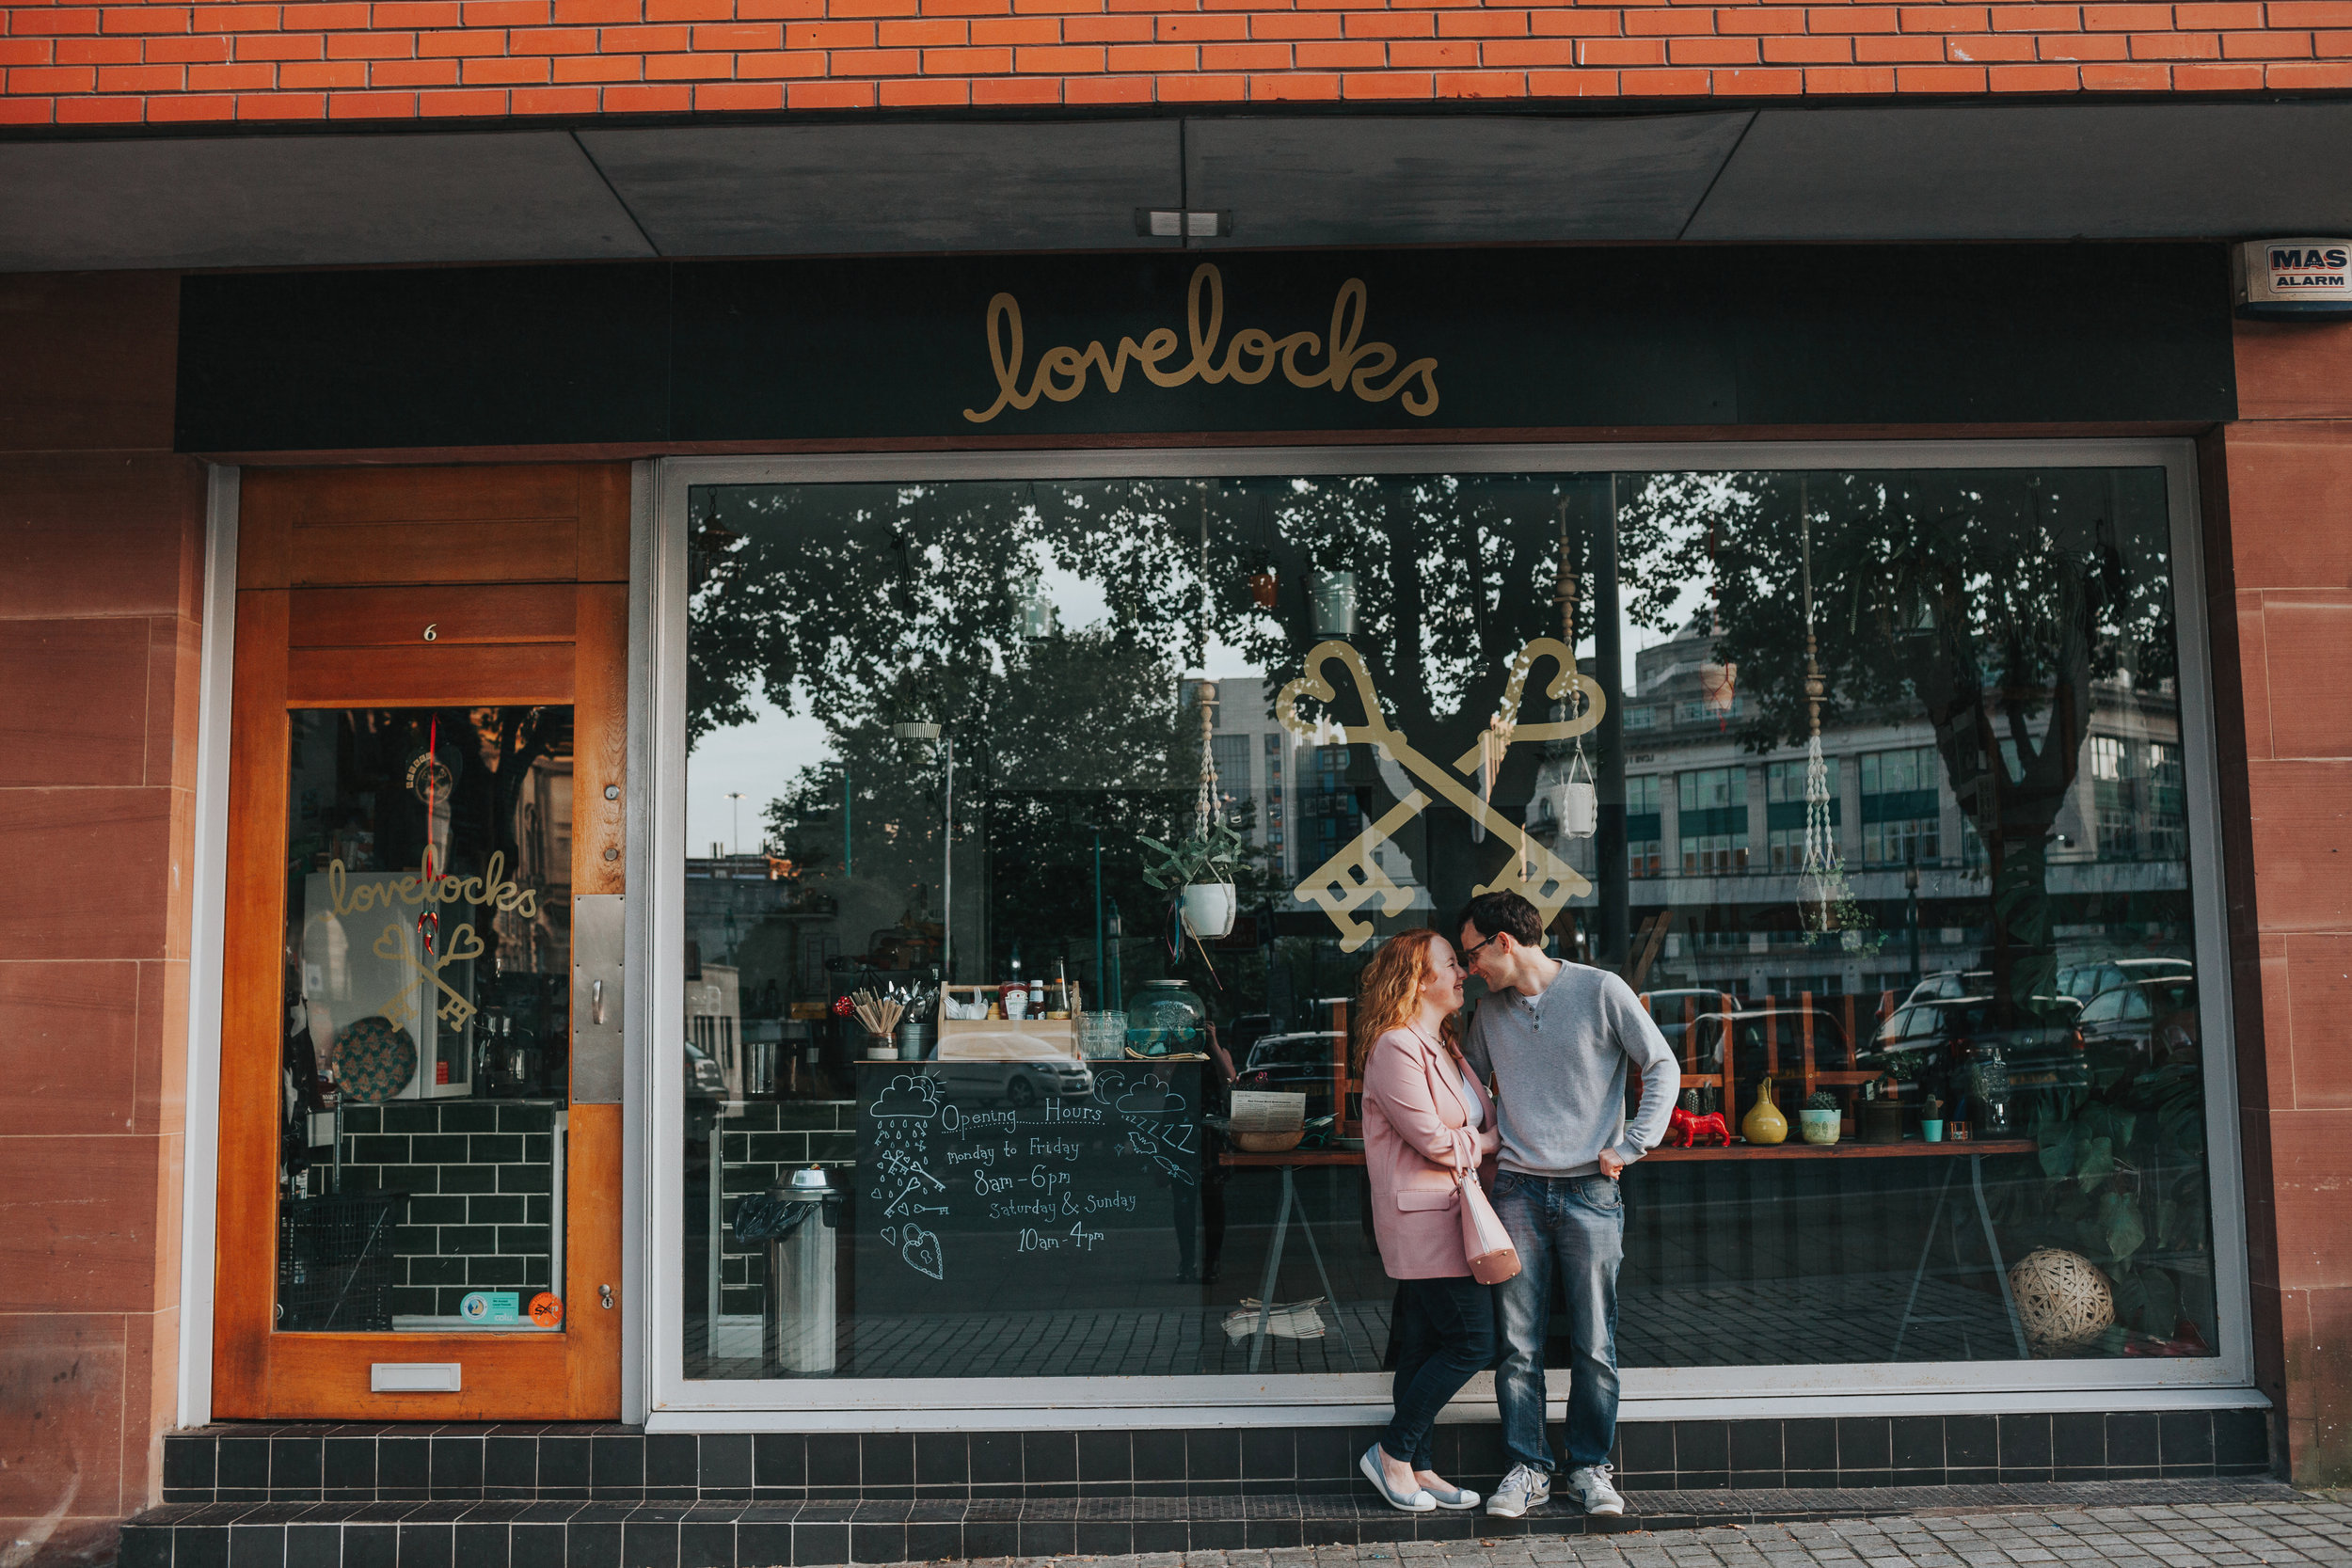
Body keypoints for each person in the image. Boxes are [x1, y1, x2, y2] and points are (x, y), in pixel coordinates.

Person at [1456, 889, 1678, 1520]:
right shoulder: (1488, 1012)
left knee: (1594, 1341)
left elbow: (1661, 1064)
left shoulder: (1601, 990)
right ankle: (1527, 1467)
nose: (1470, 967)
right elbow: (1469, 1087)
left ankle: (1589, 1467)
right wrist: (1472, 1140)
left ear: (1503, 941)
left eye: (1473, 953)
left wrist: (1632, 1145)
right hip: (1518, 1192)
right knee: (1519, 1345)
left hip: (1591, 1190)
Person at [1354, 928, 1501, 1514]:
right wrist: (1488, 1141)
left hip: (1454, 1215)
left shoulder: (1444, 1044)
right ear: (1418, 980)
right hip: (1424, 1221)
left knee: (1422, 1344)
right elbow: (1435, 1141)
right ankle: (1390, 1454)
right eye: (1450, 965)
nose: (1462, 973)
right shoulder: (1394, 1047)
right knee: (1472, 1342)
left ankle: (1418, 1465)